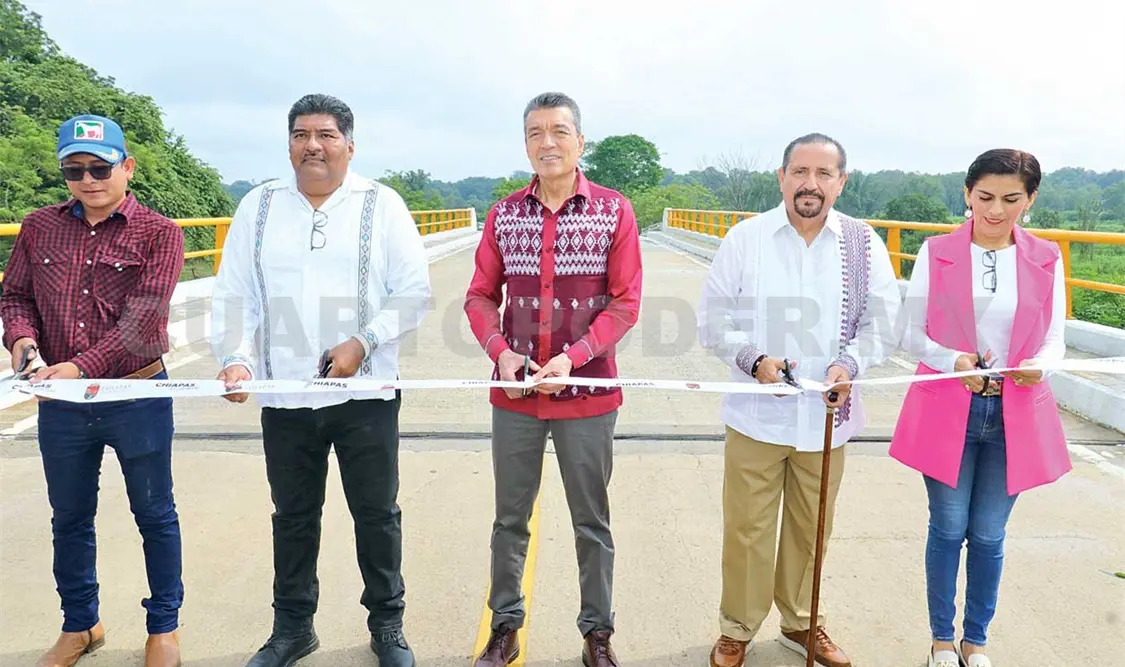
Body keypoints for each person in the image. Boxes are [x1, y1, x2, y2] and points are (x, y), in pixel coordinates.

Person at [209, 93, 431, 667]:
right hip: (284, 395)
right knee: (293, 516)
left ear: (349, 146)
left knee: (376, 515)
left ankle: (387, 626)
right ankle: (292, 629)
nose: (313, 145)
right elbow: (235, 296)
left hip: (366, 394)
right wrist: (236, 358)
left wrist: (365, 342)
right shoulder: (257, 208)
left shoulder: (383, 205)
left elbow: (413, 293)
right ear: (288, 144)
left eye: (327, 135)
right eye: (301, 134)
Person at [697, 133, 902, 667]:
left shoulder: (862, 244)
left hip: (826, 418)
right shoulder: (747, 238)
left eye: (824, 174)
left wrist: (850, 365)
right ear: (782, 176)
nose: (810, 184)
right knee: (747, 529)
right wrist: (752, 360)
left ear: (841, 182)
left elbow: (884, 323)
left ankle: (802, 624)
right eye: (800, 172)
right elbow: (712, 320)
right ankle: (736, 628)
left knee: (813, 525)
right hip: (755, 415)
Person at [463, 92, 642, 667]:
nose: (548, 143)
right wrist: (501, 353)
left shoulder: (614, 211)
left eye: (560, 132)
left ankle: (598, 634)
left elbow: (624, 303)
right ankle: (504, 627)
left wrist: (573, 357)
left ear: (580, 141)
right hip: (515, 398)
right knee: (509, 521)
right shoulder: (504, 214)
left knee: (592, 522)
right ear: (524, 144)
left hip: (588, 397)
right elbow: (480, 296)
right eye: (536, 133)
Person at [0, 114, 185, 667]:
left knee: (155, 514)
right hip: (62, 403)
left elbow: (144, 321)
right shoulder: (38, 227)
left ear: (126, 166)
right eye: (74, 170)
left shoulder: (160, 233)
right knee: (70, 516)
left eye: (100, 166)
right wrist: (24, 343)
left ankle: (164, 629)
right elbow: (15, 297)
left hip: (136, 393)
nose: (88, 179)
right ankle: (80, 624)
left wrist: (80, 366)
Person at [889, 149, 1069, 667]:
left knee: (989, 534)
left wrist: (1041, 365)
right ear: (968, 193)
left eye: (1011, 199)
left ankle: (976, 641)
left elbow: (1054, 339)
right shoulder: (937, 251)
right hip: (950, 406)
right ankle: (942, 641)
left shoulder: (1046, 256)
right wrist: (954, 359)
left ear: (1030, 200)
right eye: (985, 197)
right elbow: (911, 333)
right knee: (947, 528)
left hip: (1015, 413)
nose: (995, 210)